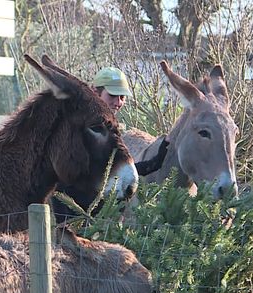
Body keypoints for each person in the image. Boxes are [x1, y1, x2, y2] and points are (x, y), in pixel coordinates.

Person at [52, 67, 169, 221]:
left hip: (99, 219)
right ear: (95, 92)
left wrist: (154, 163)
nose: (118, 102)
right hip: (70, 215)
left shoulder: (111, 129)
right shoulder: (80, 126)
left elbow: (110, 168)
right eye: (113, 95)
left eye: (122, 97)